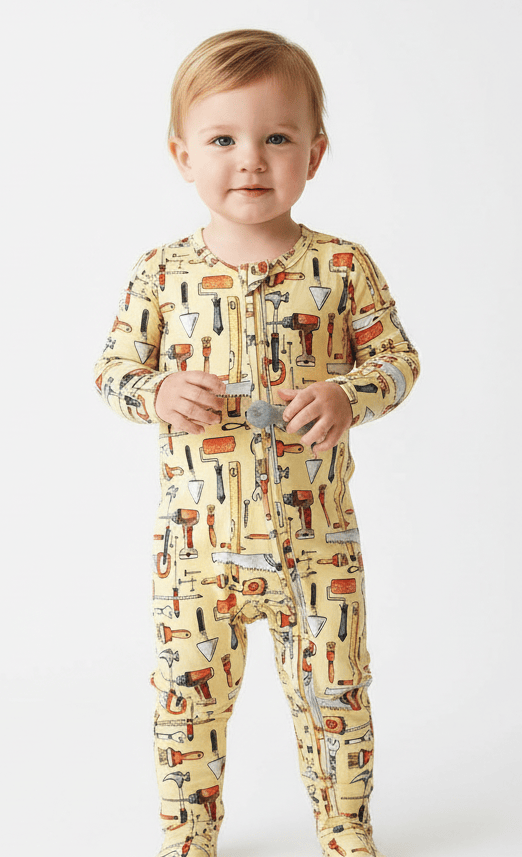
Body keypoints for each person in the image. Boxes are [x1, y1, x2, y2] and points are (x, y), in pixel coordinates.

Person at [94, 28, 420, 857]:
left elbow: (397, 360)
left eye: (277, 137)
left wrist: (348, 394)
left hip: (318, 545)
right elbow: (112, 370)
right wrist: (156, 391)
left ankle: (344, 827)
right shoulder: (161, 273)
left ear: (315, 153)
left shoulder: (342, 268)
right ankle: (188, 834)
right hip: (195, 554)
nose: (250, 160)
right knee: (186, 702)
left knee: (337, 695)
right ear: (182, 155)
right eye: (222, 140)